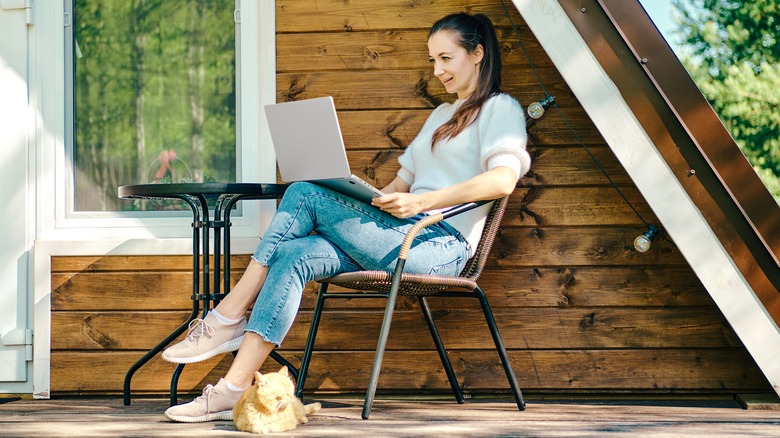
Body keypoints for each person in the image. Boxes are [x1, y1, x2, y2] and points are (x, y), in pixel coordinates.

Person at [162, 12, 531, 423]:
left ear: (477, 53)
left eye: (445, 58)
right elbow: (397, 188)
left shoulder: (500, 109)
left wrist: (423, 205)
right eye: (432, 61)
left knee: (303, 192)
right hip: (396, 234)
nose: (437, 70)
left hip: (436, 245)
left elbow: (503, 180)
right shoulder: (440, 116)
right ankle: (232, 389)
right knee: (296, 253)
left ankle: (226, 315)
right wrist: (359, 199)